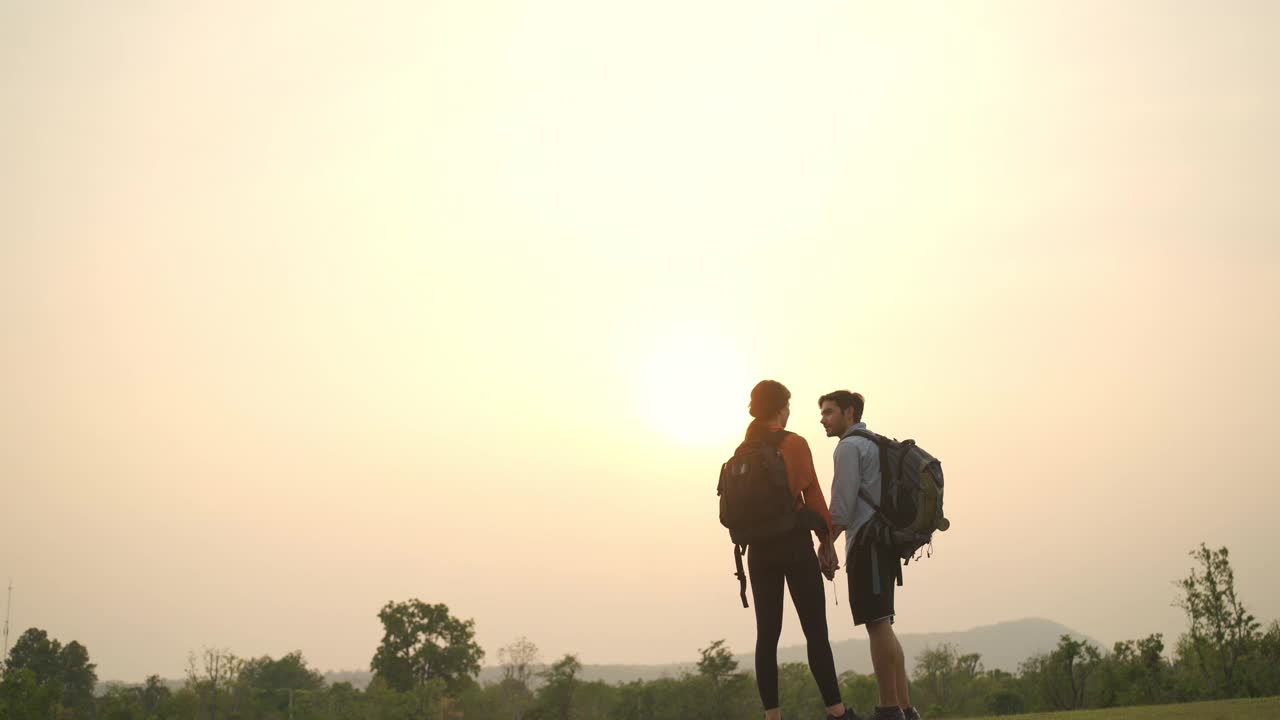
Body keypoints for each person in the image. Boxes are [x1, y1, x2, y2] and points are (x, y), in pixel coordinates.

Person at [740, 380, 858, 720]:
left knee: (767, 635)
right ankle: (836, 712)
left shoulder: (743, 450)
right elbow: (815, 498)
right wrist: (827, 542)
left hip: (758, 552)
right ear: (780, 408)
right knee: (815, 631)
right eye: (788, 407)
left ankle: (772, 716)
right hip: (793, 545)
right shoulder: (793, 444)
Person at [819, 390, 920, 720]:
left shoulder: (848, 447)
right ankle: (905, 708)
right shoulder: (874, 442)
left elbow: (842, 507)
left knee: (877, 625)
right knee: (884, 623)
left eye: (830, 412)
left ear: (849, 413)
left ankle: (889, 709)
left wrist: (826, 543)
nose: (823, 419)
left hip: (866, 543)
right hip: (884, 541)